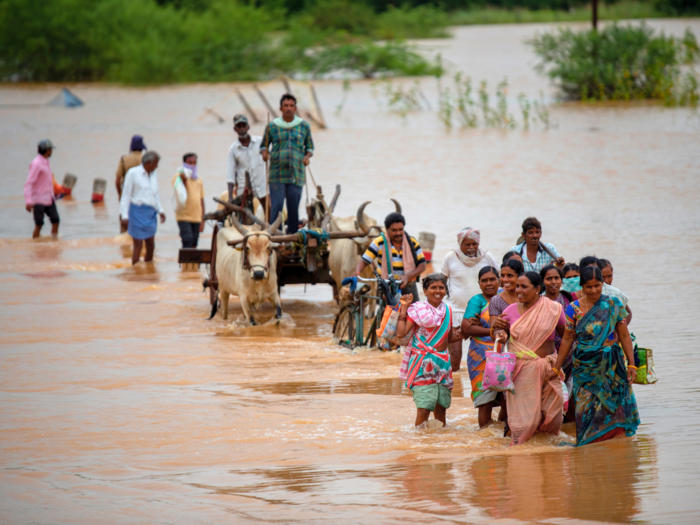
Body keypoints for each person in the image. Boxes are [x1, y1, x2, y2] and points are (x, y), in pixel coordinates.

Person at [546, 266, 640, 446]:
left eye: (597, 285)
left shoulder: (614, 304)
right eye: (589, 287)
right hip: (585, 366)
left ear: (602, 284)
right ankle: (589, 444)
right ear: (582, 287)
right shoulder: (574, 309)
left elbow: (624, 335)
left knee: (615, 406)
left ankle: (615, 446)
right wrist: (557, 368)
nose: (594, 290)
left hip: (612, 365)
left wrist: (631, 364)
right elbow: (566, 340)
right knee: (586, 407)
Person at [493, 272, 565, 445]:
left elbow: (567, 338)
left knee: (553, 414)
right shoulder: (510, 310)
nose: (518, 290)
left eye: (523, 286)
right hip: (521, 371)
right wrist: (498, 332)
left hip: (549, 369)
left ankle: (547, 455)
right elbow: (498, 334)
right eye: (517, 286)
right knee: (525, 421)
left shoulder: (553, 309)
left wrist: (557, 367)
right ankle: (519, 452)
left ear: (537, 289)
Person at [395, 274, 462, 427]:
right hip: (421, 365)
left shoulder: (448, 311)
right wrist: (404, 308)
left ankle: (437, 445)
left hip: (443, 365)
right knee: (424, 410)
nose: (437, 291)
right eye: (433, 287)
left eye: (441, 287)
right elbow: (400, 333)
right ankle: (419, 442)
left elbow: (447, 337)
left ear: (445, 290)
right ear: (425, 291)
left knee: (441, 409)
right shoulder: (417, 310)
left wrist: (459, 335)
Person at [441, 227, 500, 372]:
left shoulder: (487, 257)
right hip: (456, 310)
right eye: (467, 244)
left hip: (482, 310)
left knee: (483, 349)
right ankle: (455, 388)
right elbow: (441, 282)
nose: (471, 247)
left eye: (474, 244)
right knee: (454, 353)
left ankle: (482, 379)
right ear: (460, 243)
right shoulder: (450, 257)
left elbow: (501, 279)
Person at [260, 94, 314, 234]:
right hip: (277, 173)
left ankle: (292, 238)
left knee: (293, 207)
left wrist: (306, 157)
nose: (288, 108)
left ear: (295, 108)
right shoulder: (272, 126)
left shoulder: (304, 126)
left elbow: (310, 148)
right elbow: (263, 146)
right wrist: (264, 154)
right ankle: (275, 237)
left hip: (297, 174)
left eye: (291, 106)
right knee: (277, 206)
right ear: (280, 108)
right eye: (286, 106)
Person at [461, 266, 506, 428]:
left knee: (508, 401)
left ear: (499, 280)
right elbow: (465, 328)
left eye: (492, 279)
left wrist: (481, 327)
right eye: (484, 280)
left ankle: (501, 436)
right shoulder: (477, 301)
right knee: (484, 402)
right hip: (480, 358)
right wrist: (494, 330)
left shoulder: (505, 296)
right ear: (479, 283)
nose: (488, 283)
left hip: (505, 354)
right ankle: (485, 438)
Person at [353, 212, 426, 302]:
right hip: (387, 286)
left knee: (414, 314)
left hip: (409, 286)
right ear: (386, 229)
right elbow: (364, 261)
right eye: (394, 230)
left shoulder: (412, 242)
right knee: (387, 314)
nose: (398, 233)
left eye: (401, 229)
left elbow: (422, 265)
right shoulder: (379, 242)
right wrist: (357, 272)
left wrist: (407, 277)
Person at [120, 151, 165, 265]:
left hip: (150, 212)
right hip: (136, 211)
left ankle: (148, 270)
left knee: (151, 244)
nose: (157, 166)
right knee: (138, 246)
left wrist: (161, 210)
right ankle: (135, 272)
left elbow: (155, 194)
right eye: (156, 163)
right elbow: (125, 195)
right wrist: (124, 216)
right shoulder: (133, 173)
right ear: (148, 162)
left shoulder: (153, 174)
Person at [227, 114, 267, 218]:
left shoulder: (260, 141)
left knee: (269, 210)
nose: (242, 129)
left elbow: (271, 159)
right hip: (244, 190)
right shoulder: (233, 149)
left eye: (243, 126)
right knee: (245, 218)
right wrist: (230, 197)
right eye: (239, 126)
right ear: (235, 129)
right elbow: (230, 174)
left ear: (248, 127)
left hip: (262, 186)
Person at [24, 139, 60, 239]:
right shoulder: (36, 163)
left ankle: (54, 242)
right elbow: (28, 184)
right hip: (38, 199)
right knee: (39, 225)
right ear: (47, 150)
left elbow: (47, 182)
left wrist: (55, 194)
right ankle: (35, 245)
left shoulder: (46, 162)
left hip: (49, 198)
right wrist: (28, 201)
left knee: (56, 221)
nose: (51, 152)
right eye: (51, 149)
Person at [173, 153, 205, 249]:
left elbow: (202, 201)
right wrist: (184, 180)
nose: (192, 165)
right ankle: (184, 263)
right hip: (183, 216)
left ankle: (192, 264)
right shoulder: (178, 177)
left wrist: (203, 219)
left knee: (194, 243)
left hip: (197, 218)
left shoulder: (199, 180)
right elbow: (180, 193)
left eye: (194, 162)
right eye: (189, 162)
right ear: (184, 163)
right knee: (187, 240)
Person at [116, 135, 147, 233]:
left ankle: (125, 248)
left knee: (125, 229)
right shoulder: (147, 160)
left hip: (128, 198)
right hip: (143, 199)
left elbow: (117, 180)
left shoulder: (124, 159)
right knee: (142, 231)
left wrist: (120, 194)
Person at [489, 259, 524, 323]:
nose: (505, 279)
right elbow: (493, 330)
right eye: (502, 275)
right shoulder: (496, 301)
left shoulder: (531, 297)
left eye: (509, 275)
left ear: (520, 276)